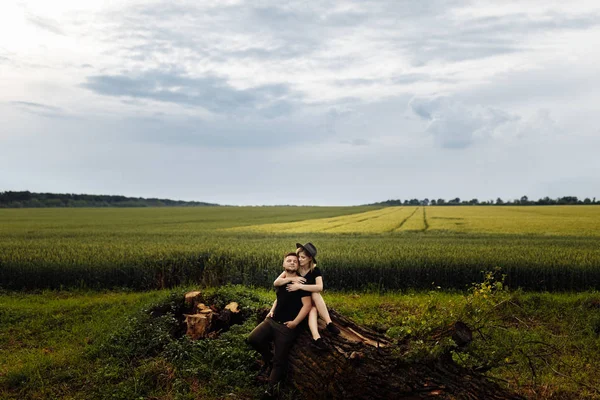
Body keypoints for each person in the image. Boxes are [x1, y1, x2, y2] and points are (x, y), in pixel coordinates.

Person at [247, 252, 312, 397]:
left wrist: (295, 323)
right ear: (283, 265)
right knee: (253, 339)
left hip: (286, 328)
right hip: (272, 321)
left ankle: (269, 391)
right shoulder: (282, 279)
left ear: (299, 264)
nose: (292, 262)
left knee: (279, 360)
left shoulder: (301, 282)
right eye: (288, 261)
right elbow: (279, 298)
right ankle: (268, 359)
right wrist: (271, 310)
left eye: (295, 261)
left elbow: (307, 306)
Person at [274, 242, 340, 351]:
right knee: (312, 303)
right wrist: (291, 279)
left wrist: (300, 286)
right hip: (300, 302)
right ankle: (321, 332)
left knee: (314, 297)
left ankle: (323, 331)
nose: (299, 260)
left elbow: (320, 287)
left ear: (310, 259)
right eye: (299, 256)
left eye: (303, 257)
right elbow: (276, 282)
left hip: (311, 302)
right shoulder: (296, 269)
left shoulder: (315, 270)